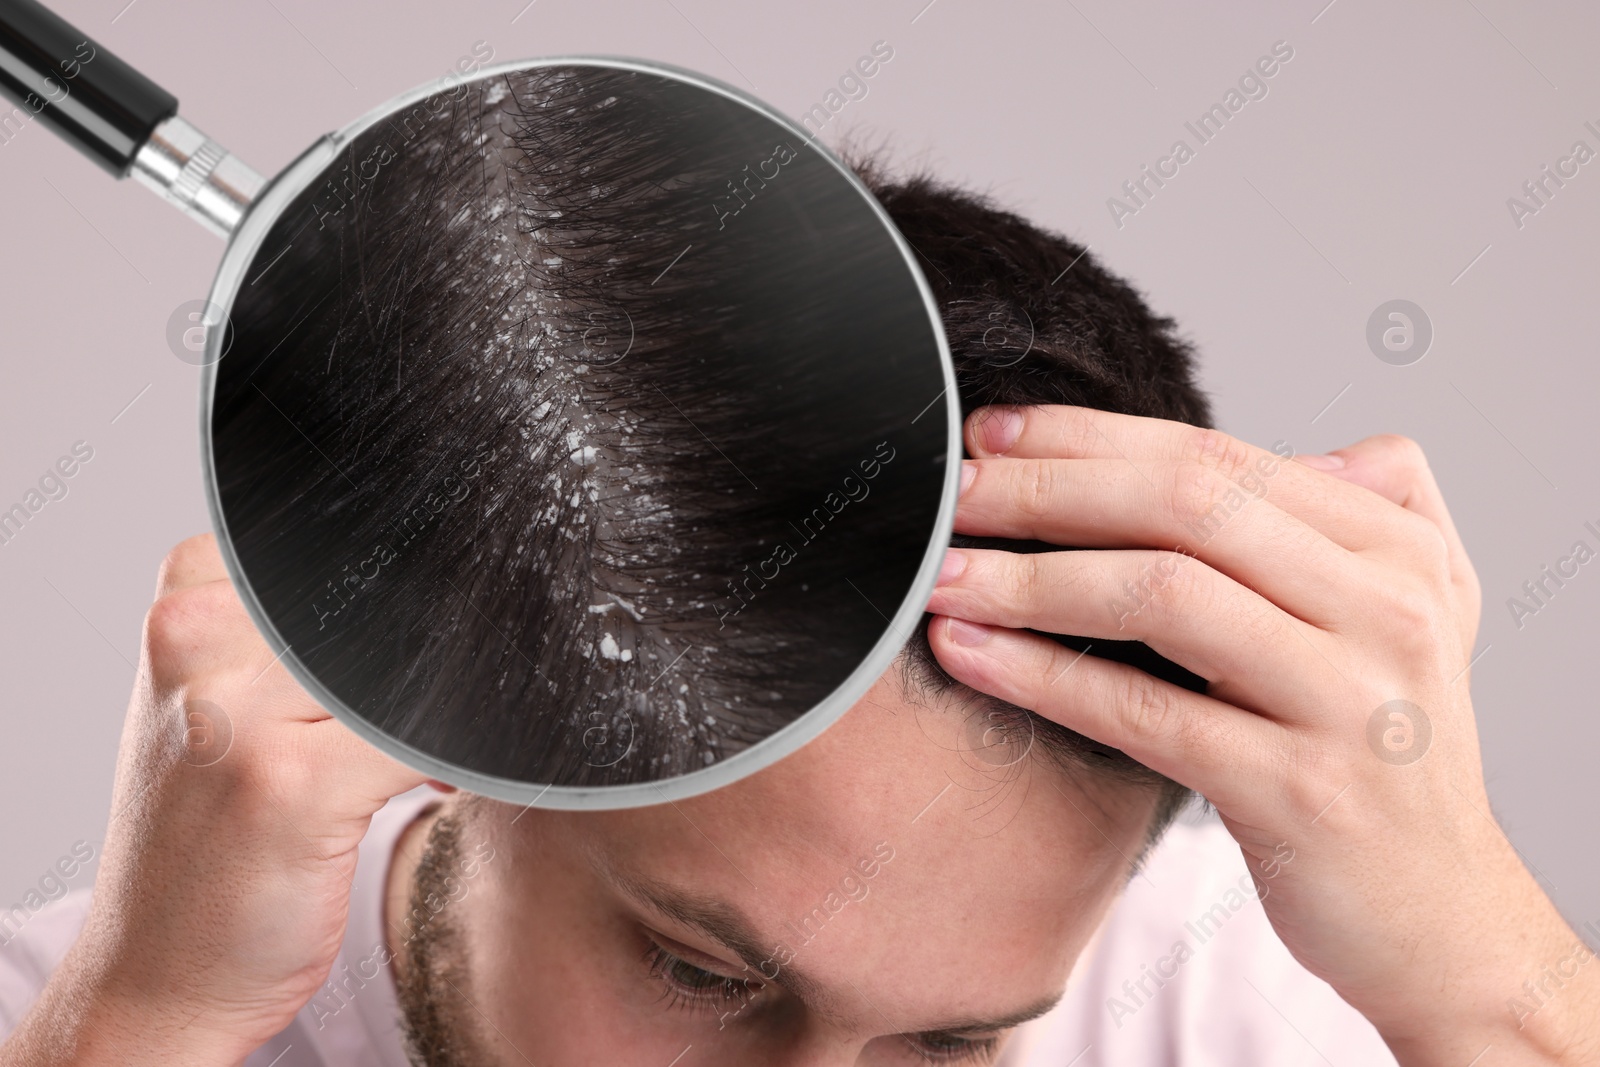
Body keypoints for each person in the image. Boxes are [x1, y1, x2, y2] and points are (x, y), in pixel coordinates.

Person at [4, 75, 1598, 1066]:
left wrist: (1496, 988)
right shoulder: (87, 1015)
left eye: (954, 1046)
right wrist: (142, 1028)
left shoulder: (1236, 1008)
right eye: (701, 972)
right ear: (465, 743)